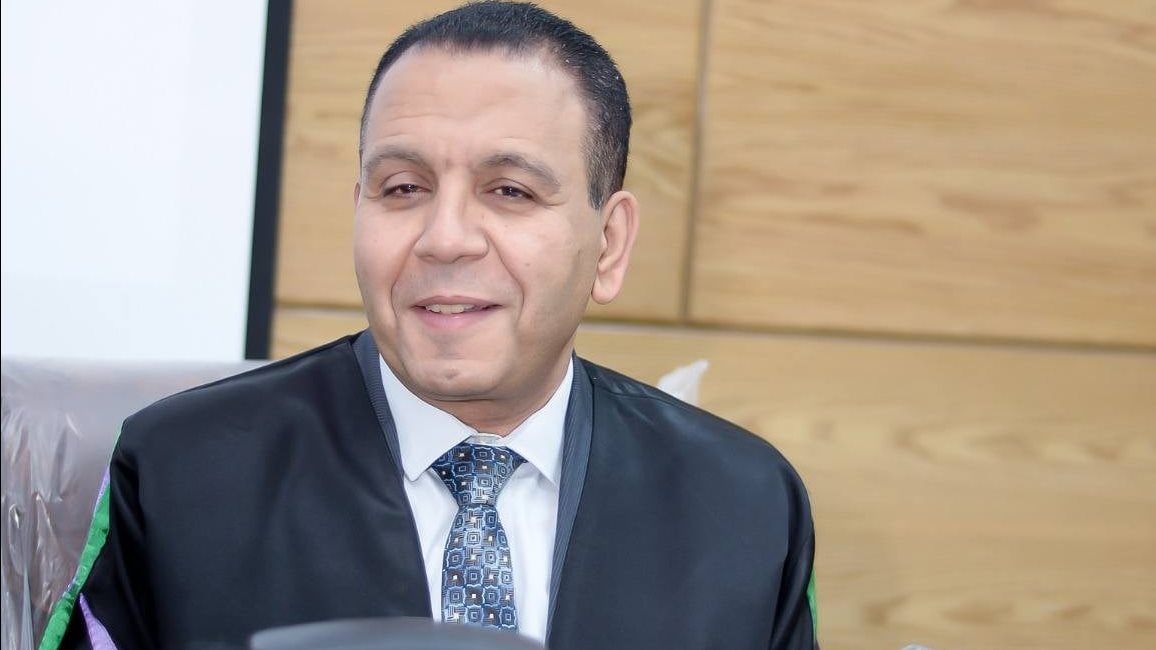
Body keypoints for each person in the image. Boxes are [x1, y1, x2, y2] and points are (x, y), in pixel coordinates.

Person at [40, 2, 817, 649]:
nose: (445, 239)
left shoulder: (746, 506)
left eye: (509, 191)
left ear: (608, 244)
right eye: (403, 188)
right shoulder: (181, 474)